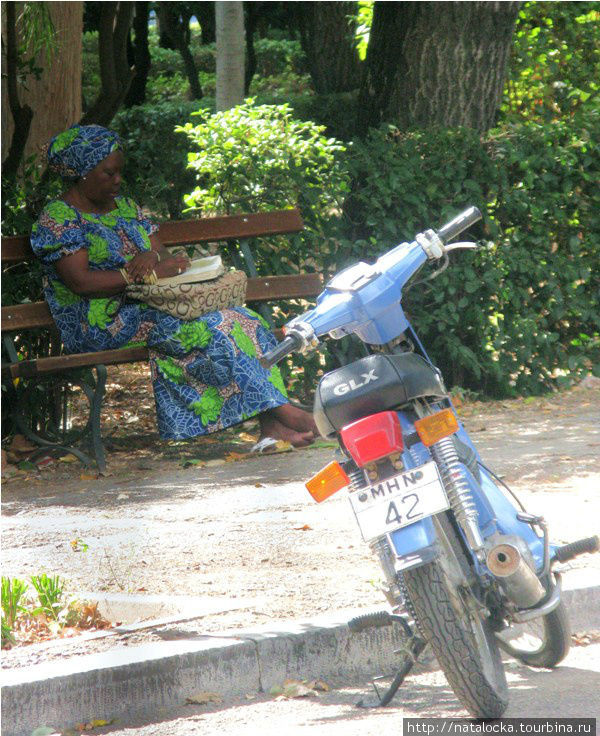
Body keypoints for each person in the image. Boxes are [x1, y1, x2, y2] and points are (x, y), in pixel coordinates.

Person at [31, 124, 317, 449]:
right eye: (108, 173)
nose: (117, 180)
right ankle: (286, 412)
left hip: (155, 307)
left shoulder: (126, 208)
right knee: (211, 327)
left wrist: (153, 256)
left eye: (119, 172)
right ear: (82, 172)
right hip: (101, 321)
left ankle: (273, 427)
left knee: (245, 320)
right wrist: (134, 275)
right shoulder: (58, 219)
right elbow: (80, 282)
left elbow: (160, 255)